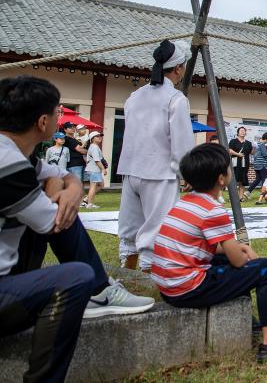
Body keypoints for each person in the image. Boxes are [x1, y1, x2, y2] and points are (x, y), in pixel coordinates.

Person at [1, 76, 154, 381]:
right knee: (75, 277)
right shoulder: (9, 163)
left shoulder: (17, 153)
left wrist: (69, 187)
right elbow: (55, 222)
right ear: (43, 122)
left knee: (57, 204)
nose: (61, 119)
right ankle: (98, 289)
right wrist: (60, 191)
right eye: (58, 112)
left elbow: (58, 175)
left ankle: (101, 288)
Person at [150, 143, 267, 362]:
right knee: (265, 269)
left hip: (168, 287)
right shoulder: (213, 211)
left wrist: (240, 248)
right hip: (187, 289)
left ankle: (248, 321)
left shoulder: (184, 203)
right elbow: (239, 262)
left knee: (227, 261)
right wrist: (246, 252)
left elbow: (206, 245)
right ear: (222, 179)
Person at [117, 39, 196, 271]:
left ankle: (127, 273)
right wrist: (187, 173)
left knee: (130, 229)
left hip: (131, 169)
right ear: (178, 68)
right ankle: (148, 279)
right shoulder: (176, 99)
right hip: (159, 172)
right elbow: (181, 142)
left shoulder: (135, 96)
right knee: (157, 230)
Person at [82, 131, 106, 209]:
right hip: (94, 169)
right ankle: (90, 204)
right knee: (93, 186)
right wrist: (103, 169)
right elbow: (97, 160)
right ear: (92, 139)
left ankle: (86, 199)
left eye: (100, 136)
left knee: (101, 185)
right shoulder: (94, 147)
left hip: (94, 169)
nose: (100, 137)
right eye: (97, 136)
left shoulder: (94, 146)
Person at [228, 126, 253, 200]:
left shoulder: (248, 143)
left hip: (244, 164)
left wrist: (255, 148)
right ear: (238, 133)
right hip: (235, 164)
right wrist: (238, 154)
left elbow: (250, 153)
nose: (243, 132)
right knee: (233, 181)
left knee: (242, 181)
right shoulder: (233, 141)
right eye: (241, 131)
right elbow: (229, 150)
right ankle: (232, 197)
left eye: (244, 131)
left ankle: (241, 197)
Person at [246, 132, 267, 197]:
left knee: (258, 180)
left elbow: (257, 154)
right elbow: (264, 155)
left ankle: (247, 192)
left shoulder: (256, 144)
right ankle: (264, 195)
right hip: (262, 165)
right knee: (265, 180)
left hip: (256, 164)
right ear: (266, 139)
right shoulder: (262, 144)